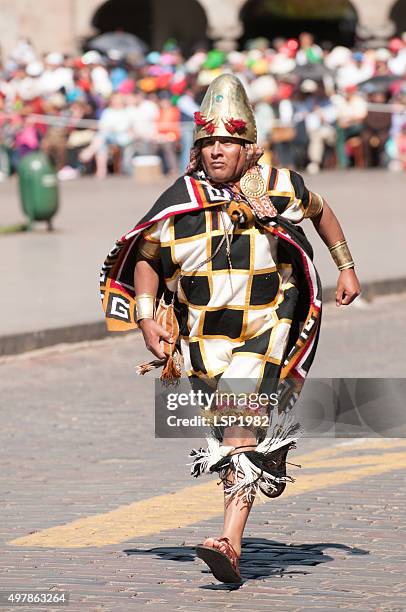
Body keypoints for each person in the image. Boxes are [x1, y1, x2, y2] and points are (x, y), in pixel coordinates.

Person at [100, 75, 360, 584]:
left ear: (249, 148)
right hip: (202, 340)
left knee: (238, 427)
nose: (218, 151)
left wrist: (344, 265)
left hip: (267, 326)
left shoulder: (279, 186)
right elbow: (147, 257)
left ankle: (230, 541)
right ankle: (259, 474)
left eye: (228, 142)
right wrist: (148, 317)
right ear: (197, 149)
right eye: (209, 143)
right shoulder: (182, 197)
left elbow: (322, 212)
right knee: (230, 438)